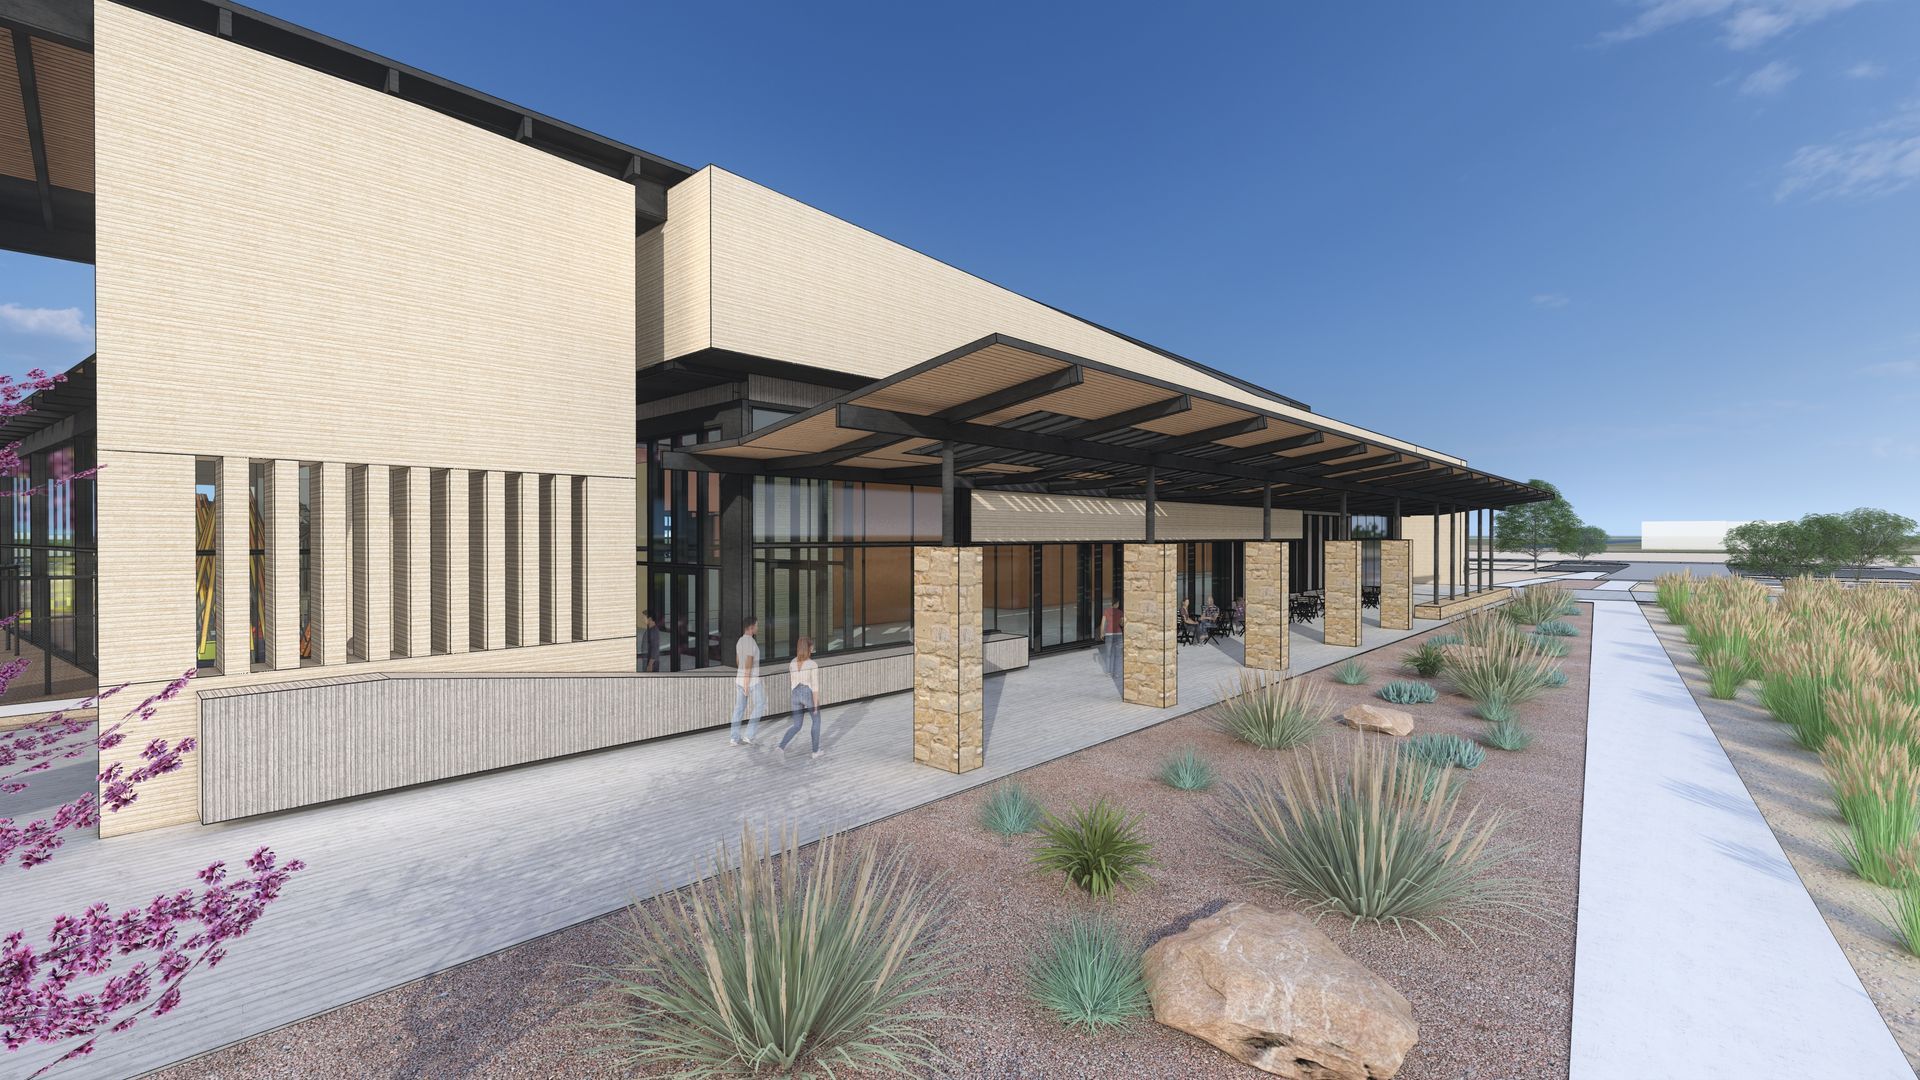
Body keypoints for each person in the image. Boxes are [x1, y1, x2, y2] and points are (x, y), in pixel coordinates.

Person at [778, 635, 825, 758]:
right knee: (816, 721)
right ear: (808, 647)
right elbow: (815, 686)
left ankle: (781, 747)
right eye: (811, 645)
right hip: (807, 692)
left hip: (795, 694)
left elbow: (792, 681)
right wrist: (815, 704)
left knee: (797, 725)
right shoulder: (812, 664)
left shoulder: (792, 662)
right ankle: (815, 751)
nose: (813, 647)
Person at [728, 616, 765, 745]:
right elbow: (748, 662)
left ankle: (734, 737)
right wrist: (746, 682)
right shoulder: (750, 642)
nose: (758, 628)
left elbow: (738, 661)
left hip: (740, 679)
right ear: (751, 627)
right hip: (751, 681)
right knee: (760, 704)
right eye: (757, 625)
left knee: (739, 708)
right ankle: (749, 735)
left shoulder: (740, 641)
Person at [1101, 601, 1123, 672]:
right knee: (1118, 654)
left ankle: (1108, 671)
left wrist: (1102, 633)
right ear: (1116, 604)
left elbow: (1103, 623)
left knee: (1108, 653)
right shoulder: (1120, 612)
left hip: (1109, 634)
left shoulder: (1106, 611)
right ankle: (1116, 671)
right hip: (1118, 634)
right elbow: (1122, 624)